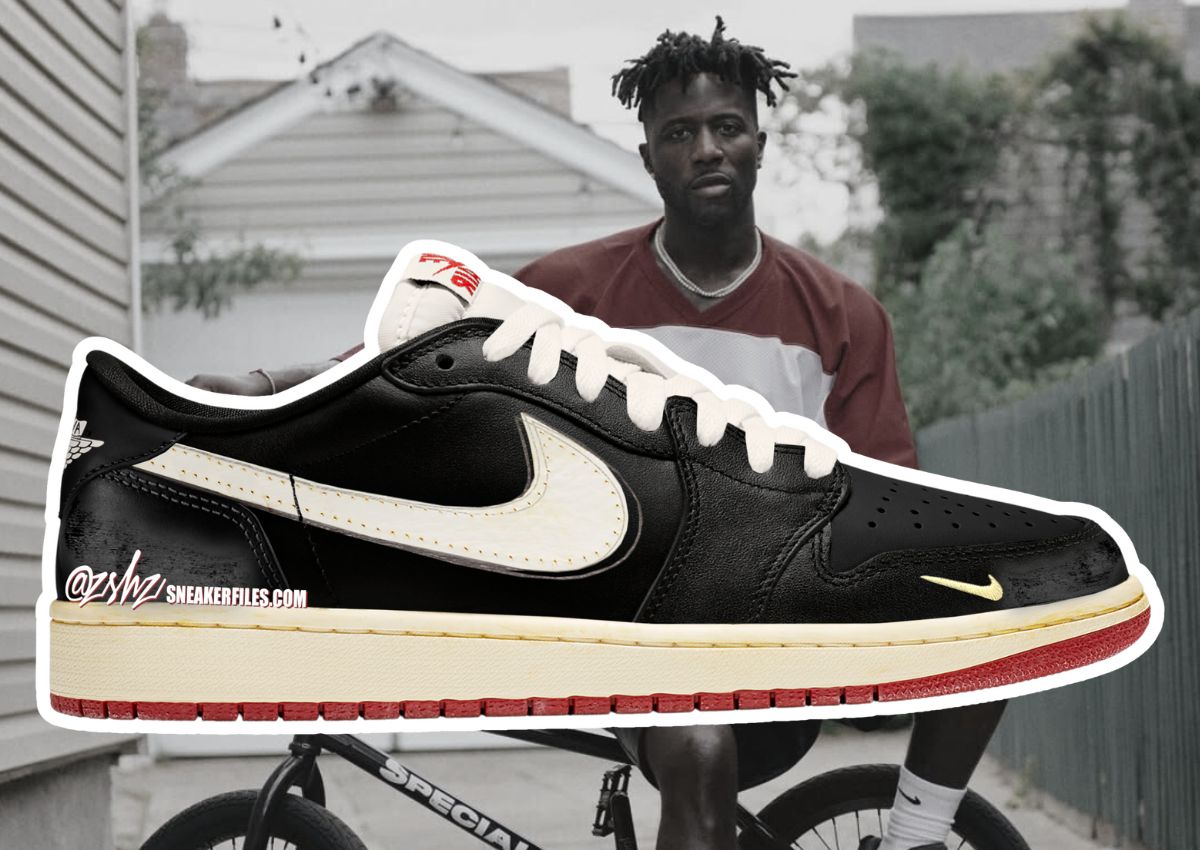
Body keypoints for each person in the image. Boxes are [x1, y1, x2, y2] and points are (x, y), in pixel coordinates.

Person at [188, 19, 1006, 850]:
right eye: (679, 134)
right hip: (637, 635)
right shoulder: (574, 292)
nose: (707, 149)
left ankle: (916, 837)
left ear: (759, 144)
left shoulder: (841, 315)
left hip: (780, 639)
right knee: (696, 744)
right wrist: (260, 391)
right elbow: (412, 361)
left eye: (727, 127)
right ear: (648, 157)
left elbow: (888, 504)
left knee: (1007, 602)